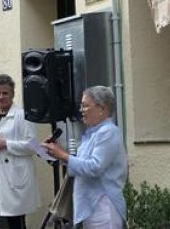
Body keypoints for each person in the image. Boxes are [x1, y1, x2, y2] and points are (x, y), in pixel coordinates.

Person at [43, 86, 127, 229]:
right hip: (91, 205)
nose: (81, 110)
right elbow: (80, 166)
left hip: (102, 205)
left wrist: (63, 155)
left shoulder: (108, 132)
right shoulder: (92, 133)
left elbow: (94, 167)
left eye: (85, 105)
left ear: (102, 109)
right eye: (81, 105)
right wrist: (57, 153)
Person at [0, 75, 39, 229]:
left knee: (15, 222)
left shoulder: (22, 115)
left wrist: (6, 144)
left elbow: (33, 146)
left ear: (12, 94)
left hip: (13, 177)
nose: (1, 97)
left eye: (5, 93)